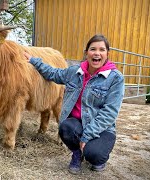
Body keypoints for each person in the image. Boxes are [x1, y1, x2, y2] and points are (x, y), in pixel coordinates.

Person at [24, 34, 124, 174]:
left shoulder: (115, 78)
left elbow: (110, 112)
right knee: (65, 127)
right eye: (93, 49)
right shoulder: (74, 72)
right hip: (76, 124)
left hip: (101, 128)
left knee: (94, 155)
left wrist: (87, 136)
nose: (97, 53)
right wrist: (34, 60)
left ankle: (96, 156)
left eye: (101, 50)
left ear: (107, 54)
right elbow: (53, 73)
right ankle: (77, 154)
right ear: (86, 53)